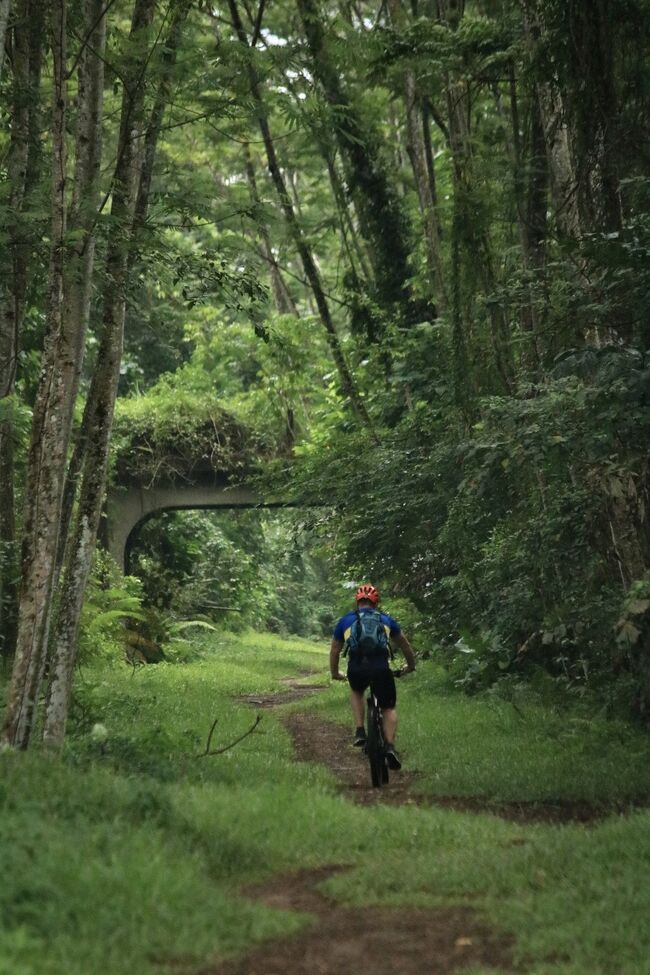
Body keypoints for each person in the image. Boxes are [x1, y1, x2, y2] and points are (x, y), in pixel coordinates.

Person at [330, 584, 416, 769]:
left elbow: (335, 650)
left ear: (357, 601)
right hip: (380, 669)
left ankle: (360, 731)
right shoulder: (386, 620)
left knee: (356, 690)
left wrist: (335, 673)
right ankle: (390, 747)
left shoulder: (346, 621)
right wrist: (410, 665)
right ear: (376, 602)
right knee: (388, 707)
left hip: (356, 669)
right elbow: (404, 645)